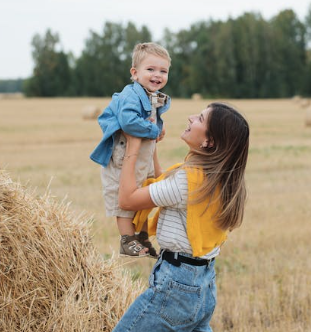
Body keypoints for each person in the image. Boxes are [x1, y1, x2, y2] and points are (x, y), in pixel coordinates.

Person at [113, 102, 249, 332]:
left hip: (177, 288)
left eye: (200, 119)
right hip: (202, 286)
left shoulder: (188, 182)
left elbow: (127, 199)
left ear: (209, 141)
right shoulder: (215, 180)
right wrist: (152, 147)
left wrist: (133, 146)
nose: (190, 117)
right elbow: (166, 186)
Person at [90, 42, 172, 257]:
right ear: (135, 73)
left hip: (141, 156)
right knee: (124, 197)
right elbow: (128, 122)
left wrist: (157, 131)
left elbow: (150, 123)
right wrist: (154, 131)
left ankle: (142, 236)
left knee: (145, 193)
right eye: (151, 69)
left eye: (163, 71)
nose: (157, 75)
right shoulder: (131, 96)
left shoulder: (150, 96)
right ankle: (127, 240)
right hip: (122, 156)